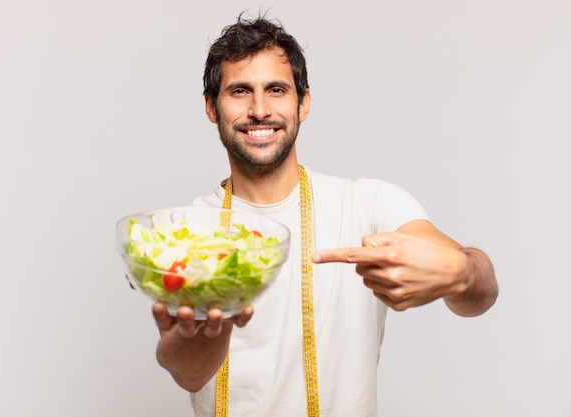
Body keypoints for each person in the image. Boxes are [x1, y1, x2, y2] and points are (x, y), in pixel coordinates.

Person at [150, 13, 498, 417]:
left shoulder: (366, 205)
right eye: (240, 91)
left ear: (304, 103)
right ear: (212, 107)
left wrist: (460, 274)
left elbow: (482, 293)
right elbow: (188, 375)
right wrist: (209, 331)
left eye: (276, 90)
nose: (259, 110)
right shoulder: (188, 230)